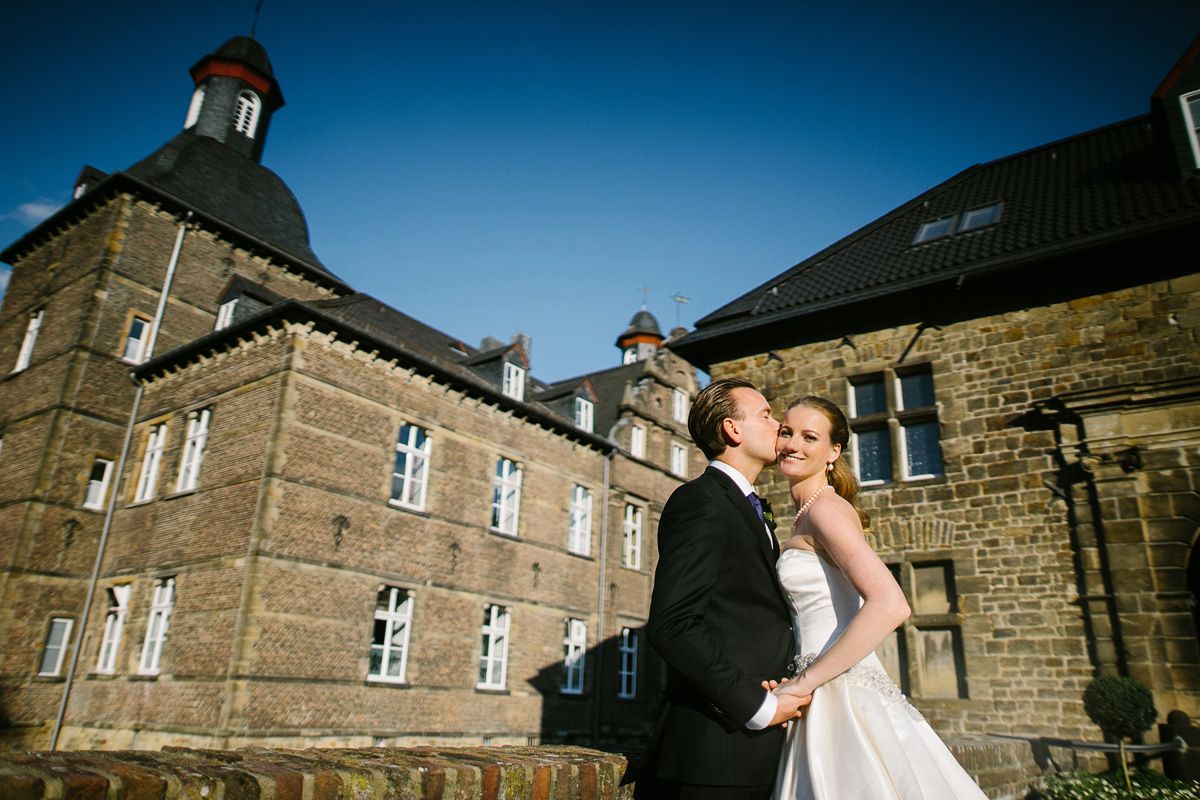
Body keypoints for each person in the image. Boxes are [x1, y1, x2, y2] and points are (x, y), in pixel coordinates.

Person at [767, 396, 988, 799]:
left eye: (809, 436)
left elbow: (891, 603)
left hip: (838, 692)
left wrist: (803, 683)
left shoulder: (826, 511)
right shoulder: (808, 512)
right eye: (787, 431)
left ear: (833, 452)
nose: (792, 444)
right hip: (823, 691)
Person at [642, 378, 811, 800]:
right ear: (733, 430)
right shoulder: (700, 501)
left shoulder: (750, 507)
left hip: (760, 749)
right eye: (766, 416)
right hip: (716, 754)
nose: (779, 427)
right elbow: (673, 625)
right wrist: (757, 707)